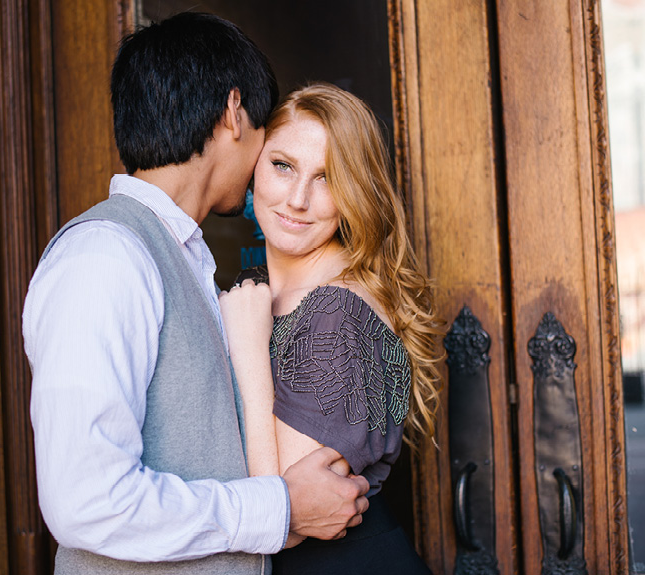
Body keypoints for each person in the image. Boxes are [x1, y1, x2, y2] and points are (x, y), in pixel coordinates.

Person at [22, 14, 369, 575]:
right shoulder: (105, 257)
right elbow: (86, 502)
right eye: (269, 146)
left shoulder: (180, 255)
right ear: (235, 113)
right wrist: (278, 508)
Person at [219, 83, 441, 574]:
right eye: (283, 166)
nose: (297, 199)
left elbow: (280, 512)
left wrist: (251, 352)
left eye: (327, 178)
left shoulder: (338, 313)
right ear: (254, 164)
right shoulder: (259, 292)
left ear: (354, 194)